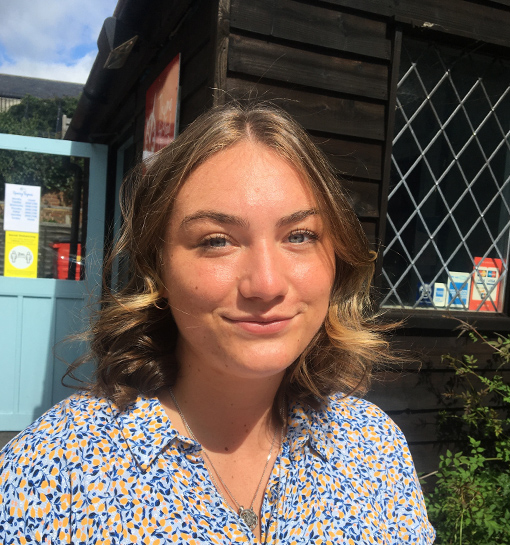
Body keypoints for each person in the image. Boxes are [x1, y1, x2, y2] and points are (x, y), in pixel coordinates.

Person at [0, 102, 435, 544]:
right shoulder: (56, 469)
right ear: (158, 269)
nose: (266, 284)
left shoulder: (374, 447)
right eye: (217, 241)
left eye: (299, 236)